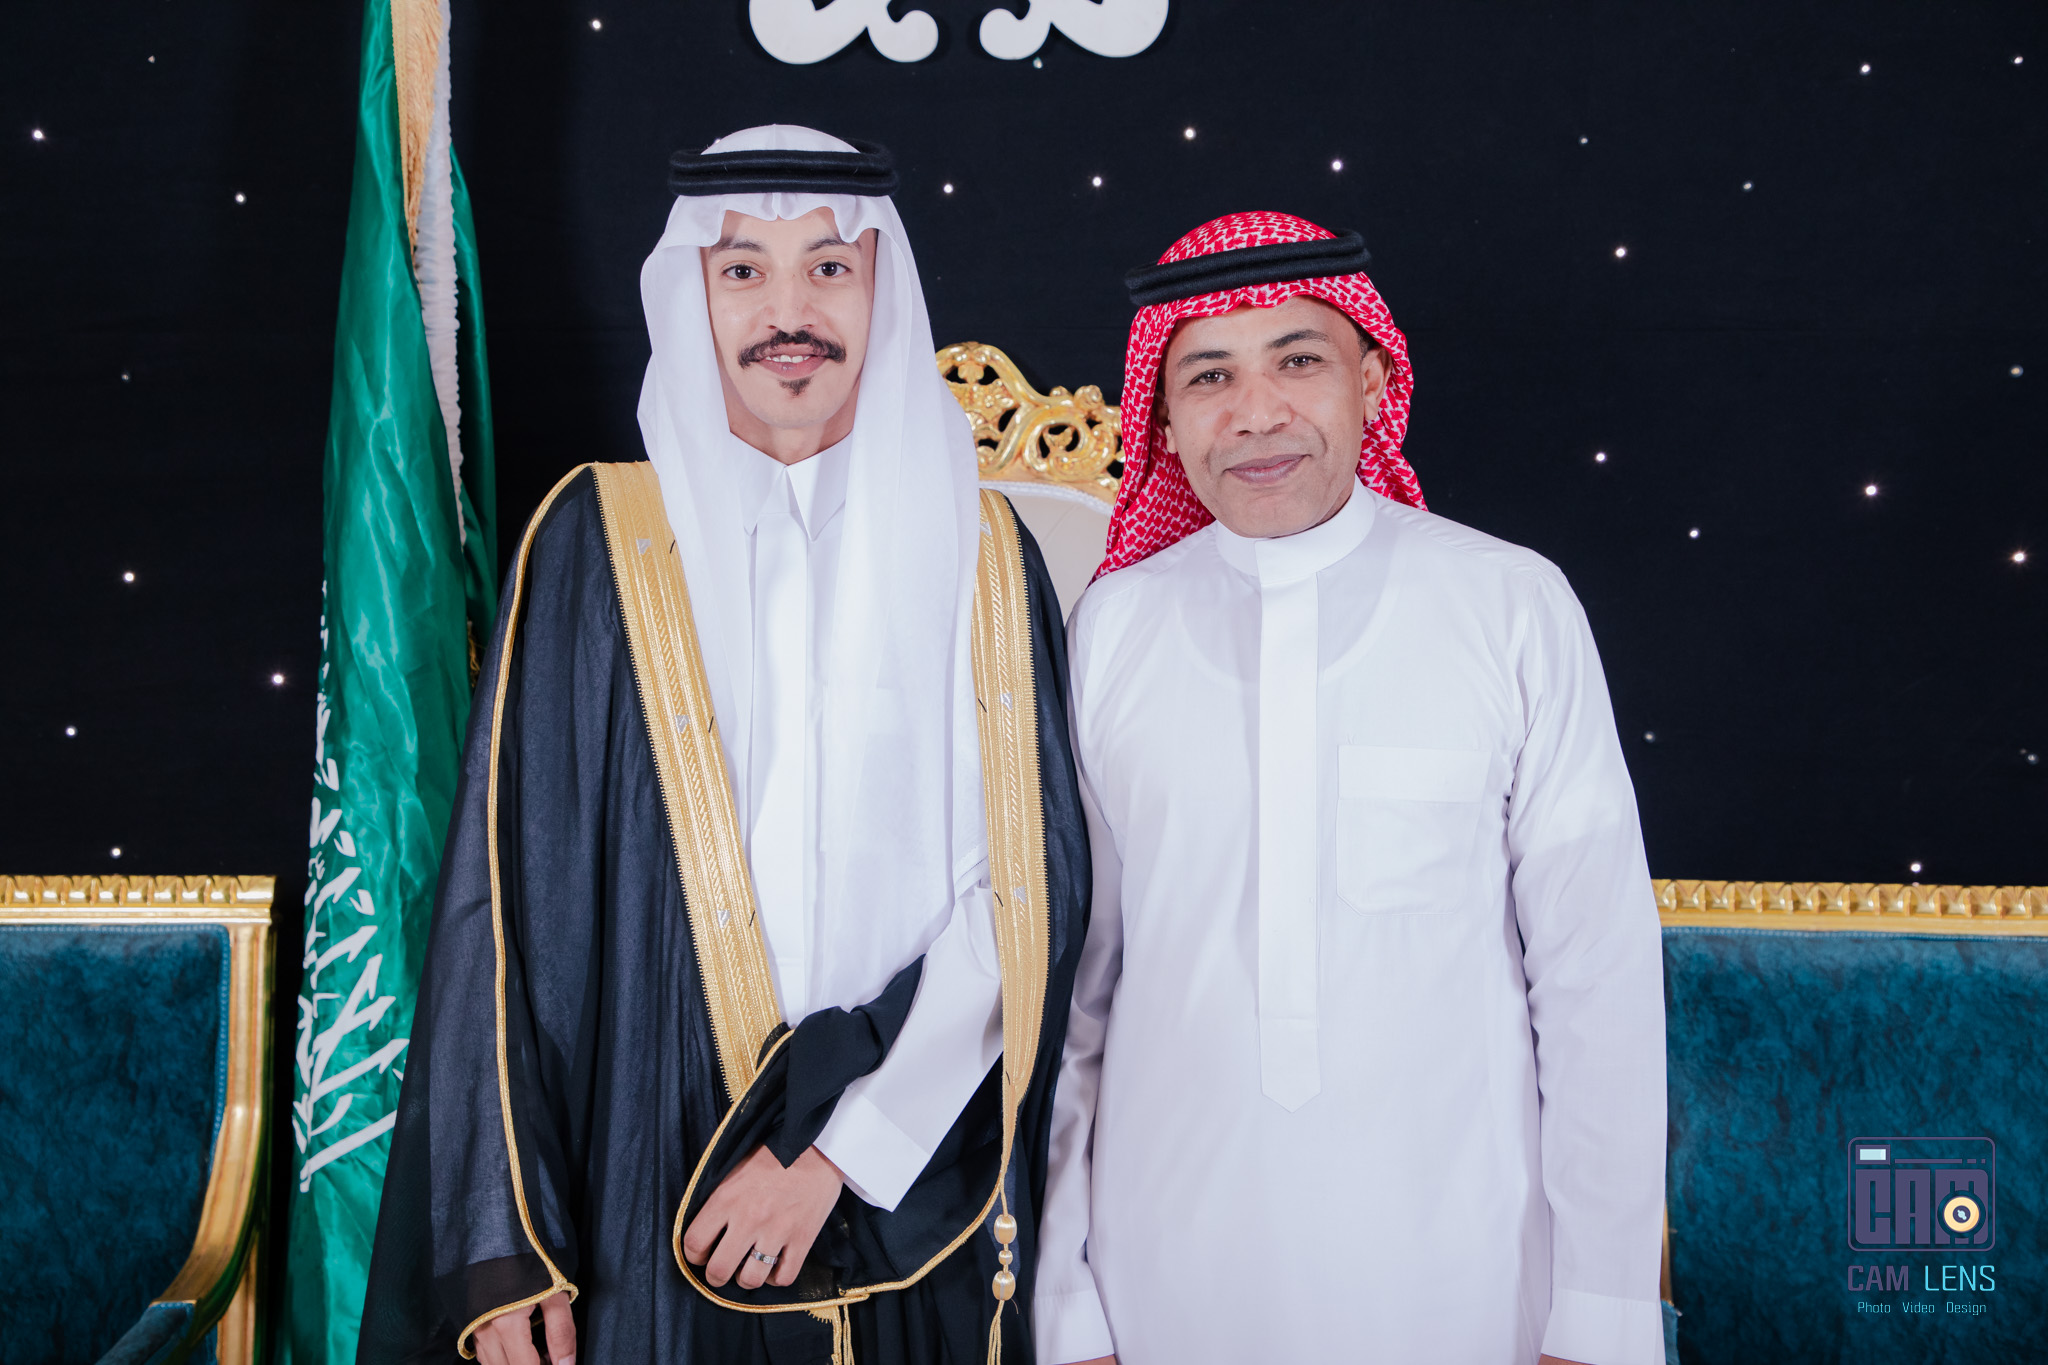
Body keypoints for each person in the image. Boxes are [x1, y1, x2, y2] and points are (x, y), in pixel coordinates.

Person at [357, 126, 1089, 1365]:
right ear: (689, 291)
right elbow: (507, 904)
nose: (787, 312)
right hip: (644, 1168)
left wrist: (840, 1153)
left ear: (881, 289)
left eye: (828, 268)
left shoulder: (982, 553)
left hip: (914, 1176)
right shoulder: (596, 536)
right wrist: (504, 1240)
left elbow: (1027, 891)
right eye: (743, 270)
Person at [1035, 212, 1668, 1365]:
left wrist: (1601, 1311)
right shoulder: (1113, 629)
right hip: (1162, 1277)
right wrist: (1063, 1307)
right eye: (1208, 375)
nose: (1254, 413)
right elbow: (1071, 993)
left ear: (1371, 379)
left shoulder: (1509, 605)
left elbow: (1596, 985)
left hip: (1465, 1273)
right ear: (1160, 417)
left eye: (1297, 360)